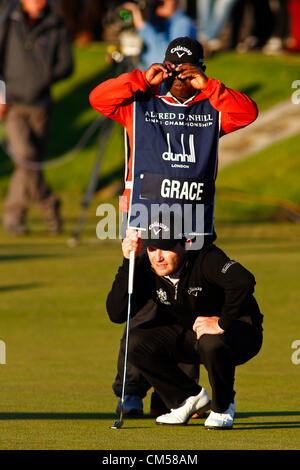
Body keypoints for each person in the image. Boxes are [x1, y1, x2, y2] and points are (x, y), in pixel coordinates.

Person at [90, 35, 258, 415]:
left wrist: (208, 87)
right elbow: (98, 98)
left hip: (193, 229)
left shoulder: (211, 108)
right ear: (163, 66)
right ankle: (129, 391)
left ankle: (176, 396)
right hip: (146, 226)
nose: (179, 76)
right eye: (174, 68)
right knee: (142, 309)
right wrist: (141, 80)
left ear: (200, 68)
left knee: (188, 308)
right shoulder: (139, 103)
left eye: (188, 68)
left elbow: (248, 113)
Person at [106, 217, 263, 428]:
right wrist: (128, 262)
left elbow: (243, 280)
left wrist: (222, 323)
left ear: (186, 243)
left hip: (241, 333)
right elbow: (117, 313)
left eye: (166, 248)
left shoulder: (206, 257)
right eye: (152, 249)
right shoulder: (148, 266)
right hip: (194, 335)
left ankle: (223, 406)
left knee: (211, 340)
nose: (158, 257)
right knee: (136, 342)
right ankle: (187, 399)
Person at [0, 0, 73, 235]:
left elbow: (67, 64)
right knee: (27, 155)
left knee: (28, 165)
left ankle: (13, 217)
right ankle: (50, 203)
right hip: (13, 104)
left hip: (41, 106)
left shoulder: (55, 23)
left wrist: (44, 76)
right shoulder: (8, 19)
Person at [122, 0, 197, 69]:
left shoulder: (183, 23)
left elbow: (170, 58)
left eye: (162, 2)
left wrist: (142, 26)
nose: (158, 3)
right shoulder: (158, 23)